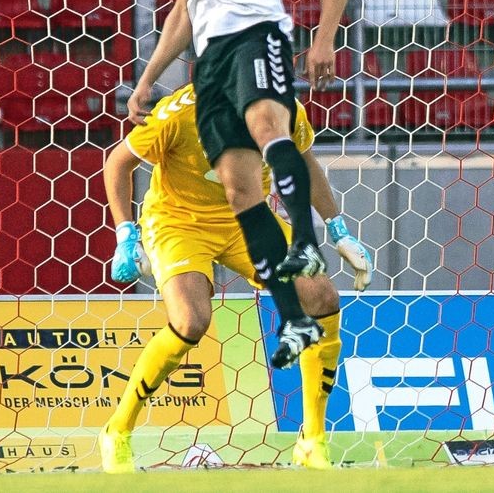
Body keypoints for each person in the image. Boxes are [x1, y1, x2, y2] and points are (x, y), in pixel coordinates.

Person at [127, 0, 350, 367]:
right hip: (210, 64)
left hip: (256, 37)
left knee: (271, 128)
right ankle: (293, 318)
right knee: (239, 191)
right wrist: (150, 77)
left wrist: (323, 40)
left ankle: (303, 239)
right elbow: (184, 10)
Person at [99, 83, 374, 473]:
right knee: (191, 321)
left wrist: (338, 229)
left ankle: (312, 441)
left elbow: (304, 162)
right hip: (180, 222)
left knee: (321, 297)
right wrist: (126, 234)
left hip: (248, 218)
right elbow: (118, 162)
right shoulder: (180, 114)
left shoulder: (284, 109)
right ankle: (117, 430)